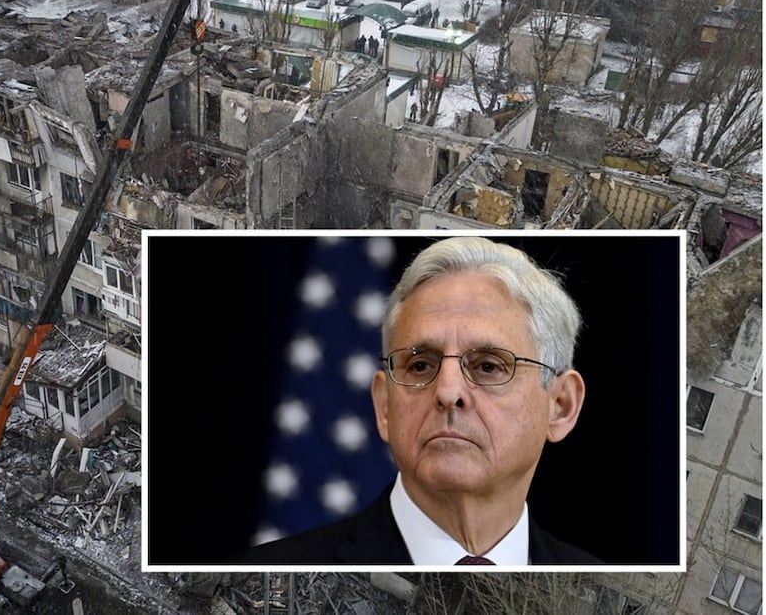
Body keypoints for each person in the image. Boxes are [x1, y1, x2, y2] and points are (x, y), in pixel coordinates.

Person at [235, 237, 597, 566]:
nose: (448, 391)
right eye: (420, 365)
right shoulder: (266, 568)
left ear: (561, 406)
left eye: (488, 366)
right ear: (383, 406)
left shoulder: (588, 580)